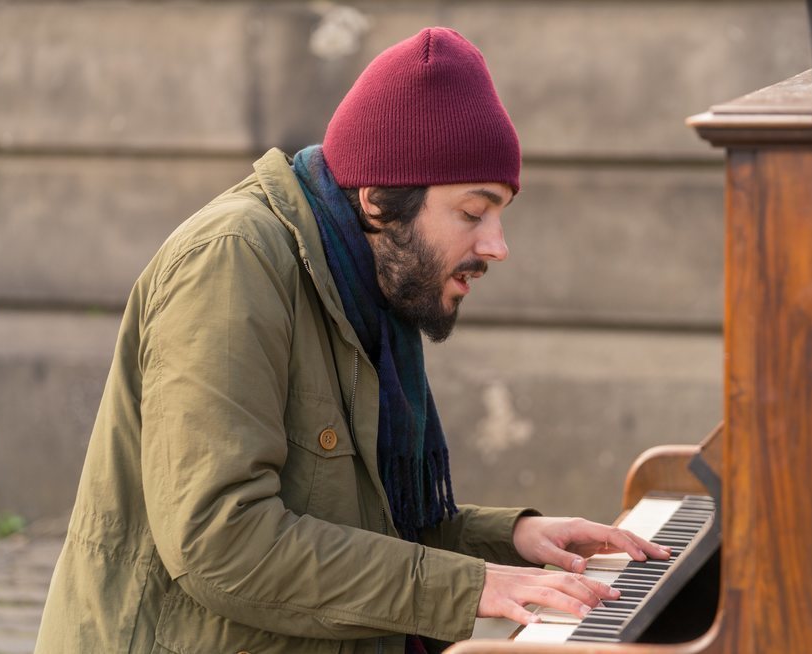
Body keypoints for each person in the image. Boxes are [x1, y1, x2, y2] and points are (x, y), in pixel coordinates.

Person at [36, 27, 669, 654]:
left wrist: (515, 538)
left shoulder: (367, 290)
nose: (497, 246)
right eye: (473, 213)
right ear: (377, 201)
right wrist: (470, 585)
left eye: (501, 214)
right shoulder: (232, 261)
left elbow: (366, 525)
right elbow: (218, 540)